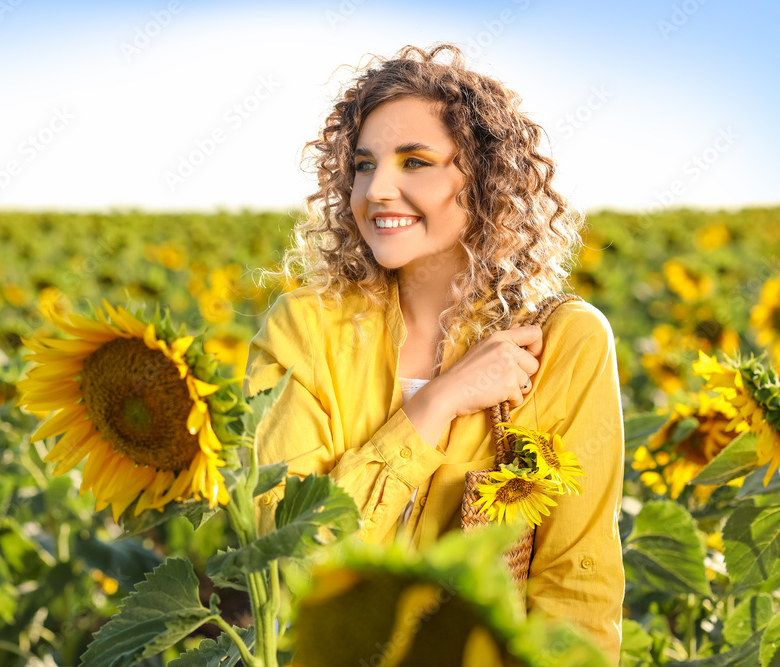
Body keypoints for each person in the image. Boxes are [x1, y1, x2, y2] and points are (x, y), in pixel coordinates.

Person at [243, 43, 625, 661]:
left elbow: (577, 585)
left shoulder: (566, 343)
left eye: (414, 161)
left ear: (483, 177)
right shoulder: (304, 329)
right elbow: (286, 565)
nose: (378, 190)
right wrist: (437, 405)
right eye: (364, 166)